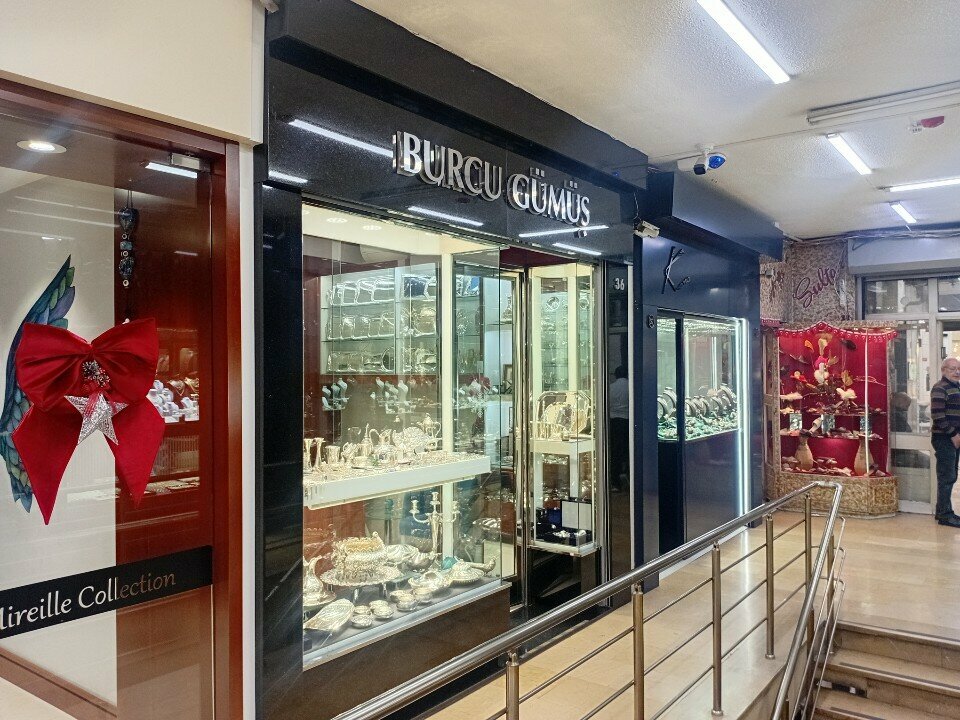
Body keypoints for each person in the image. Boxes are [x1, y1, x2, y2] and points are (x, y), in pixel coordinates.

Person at [930, 357, 960, 527]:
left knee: (951, 475)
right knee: (947, 477)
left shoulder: (956, 387)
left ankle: (942, 510)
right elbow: (938, 415)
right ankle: (945, 515)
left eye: (958, 369)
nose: (957, 372)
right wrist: (953, 435)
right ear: (943, 370)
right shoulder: (940, 388)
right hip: (944, 438)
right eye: (952, 369)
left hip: (953, 438)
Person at [609, 366, 630, 492]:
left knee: (615, 452)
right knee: (628, 451)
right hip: (627, 421)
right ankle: (629, 479)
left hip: (614, 422)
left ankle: (616, 483)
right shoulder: (630, 386)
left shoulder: (611, 387)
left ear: (616, 375)